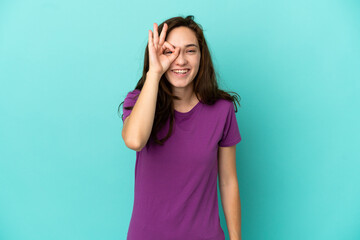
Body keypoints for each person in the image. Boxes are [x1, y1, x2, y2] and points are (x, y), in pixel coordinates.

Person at [118, 15, 242, 240]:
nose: (180, 60)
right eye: (170, 51)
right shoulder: (138, 101)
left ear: (201, 56)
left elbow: (228, 180)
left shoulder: (222, 110)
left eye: (190, 50)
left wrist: (236, 238)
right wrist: (154, 74)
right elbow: (135, 141)